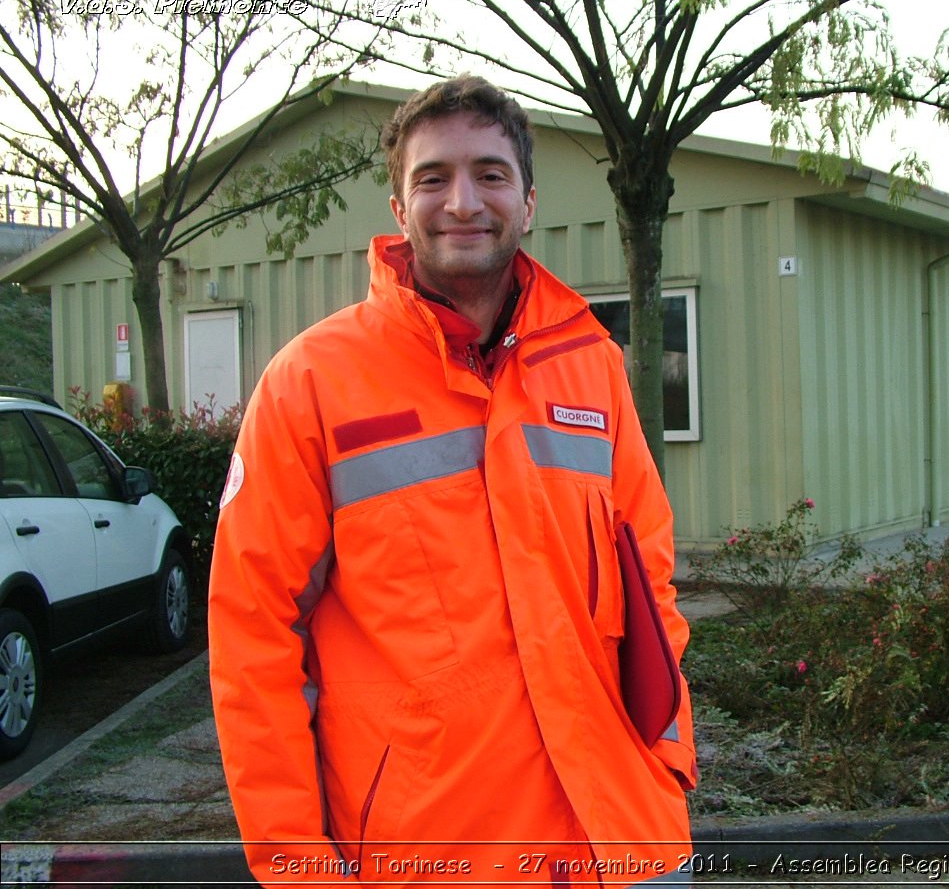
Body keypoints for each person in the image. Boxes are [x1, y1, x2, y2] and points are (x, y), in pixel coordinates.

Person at [208, 76, 697, 887]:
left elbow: (651, 580)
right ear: (399, 210)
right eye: (433, 177)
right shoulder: (311, 384)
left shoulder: (592, 367)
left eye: (490, 174)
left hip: (629, 838)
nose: (463, 200)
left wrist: (669, 752)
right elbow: (252, 639)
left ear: (529, 202)